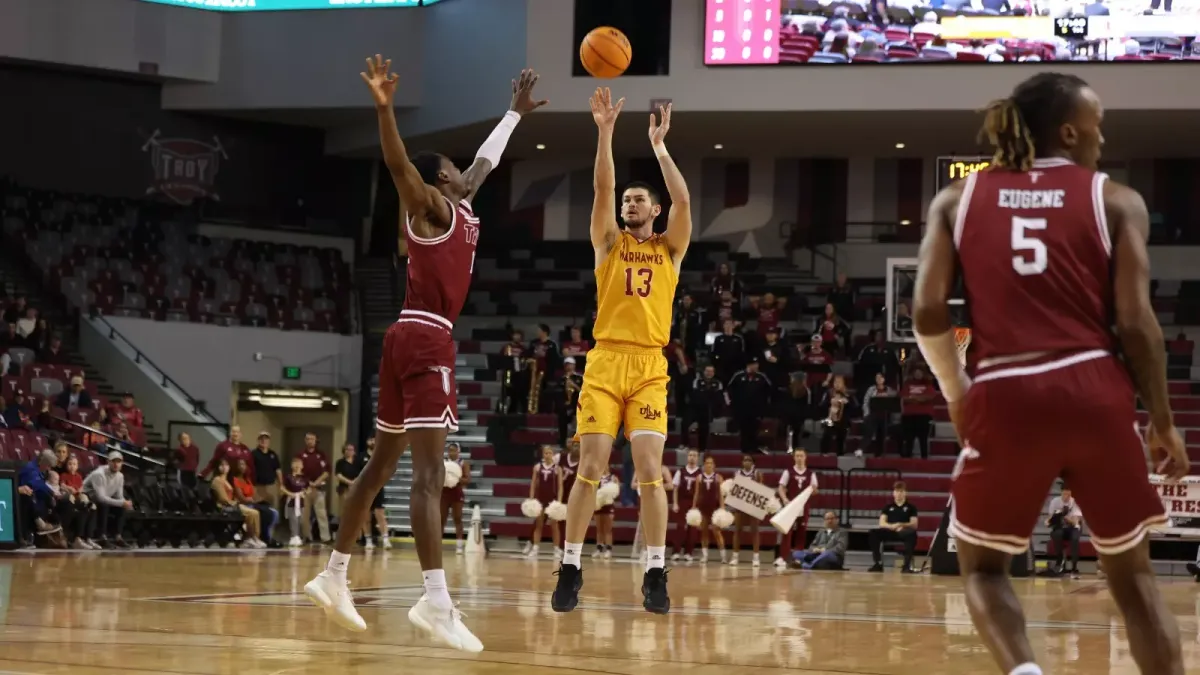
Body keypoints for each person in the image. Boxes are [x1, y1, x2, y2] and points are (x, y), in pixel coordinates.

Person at [912, 72, 1186, 675]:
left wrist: (958, 395)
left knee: (982, 568)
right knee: (1135, 579)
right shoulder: (1116, 200)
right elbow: (1138, 324)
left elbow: (927, 311)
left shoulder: (957, 201)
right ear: (1069, 131)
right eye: (1096, 126)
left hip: (1005, 392)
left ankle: (1027, 673)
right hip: (1094, 389)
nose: (1101, 138)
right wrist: (1162, 421)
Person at [306, 56, 545, 650]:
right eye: (454, 169)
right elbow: (398, 165)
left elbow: (486, 161)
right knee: (430, 474)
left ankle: (333, 575)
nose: (465, 171)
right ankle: (436, 600)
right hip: (426, 336)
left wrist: (514, 112)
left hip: (404, 337)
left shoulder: (462, 204)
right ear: (442, 182)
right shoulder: (434, 209)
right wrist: (385, 111)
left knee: (380, 466)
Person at [551, 91, 692, 616]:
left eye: (640, 200)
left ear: (654, 211)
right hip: (606, 361)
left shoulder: (670, 248)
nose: (630, 204)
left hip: (650, 366)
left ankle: (655, 570)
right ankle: (570, 563)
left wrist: (659, 146)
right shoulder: (608, 242)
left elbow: (684, 202)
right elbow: (602, 185)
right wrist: (605, 131)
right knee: (590, 465)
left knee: (650, 468)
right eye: (628, 200)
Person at [775, 449, 819, 568]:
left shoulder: (811, 474)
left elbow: (815, 490)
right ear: (794, 458)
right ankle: (783, 557)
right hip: (790, 506)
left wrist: (814, 491)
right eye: (797, 456)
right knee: (786, 532)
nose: (799, 458)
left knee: (801, 532)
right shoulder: (788, 472)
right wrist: (784, 499)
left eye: (802, 456)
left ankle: (798, 558)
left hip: (804, 507)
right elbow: (781, 488)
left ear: (805, 457)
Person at [868, 481, 918, 572]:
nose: (899, 494)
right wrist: (892, 526)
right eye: (897, 491)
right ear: (893, 493)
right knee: (874, 533)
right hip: (890, 531)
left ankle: (906, 566)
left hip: (904, 532)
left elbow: (914, 524)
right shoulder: (888, 507)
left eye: (901, 491)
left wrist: (901, 524)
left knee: (912, 534)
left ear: (905, 493)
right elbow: (882, 523)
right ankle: (878, 563)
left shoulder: (911, 507)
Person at [526, 445, 563, 559]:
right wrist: (531, 498)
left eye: (550, 453)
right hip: (540, 500)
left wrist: (559, 502)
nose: (547, 455)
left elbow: (560, 486)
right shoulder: (537, 467)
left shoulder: (557, 468)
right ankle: (535, 548)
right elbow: (533, 483)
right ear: (543, 454)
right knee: (539, 524)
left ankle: (556, 549)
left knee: (554, 525)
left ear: (553, 454)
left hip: (552, 501)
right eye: (545, 453)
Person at [727, 454, 763, 567]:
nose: (747, 462)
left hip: (753, 504)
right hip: (740, 504)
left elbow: (761, 489)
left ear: (753, 463)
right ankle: (735, 556)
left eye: (749, 460)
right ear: (742, 462)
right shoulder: (737, 473)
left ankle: (756, 557)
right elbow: (733, 488)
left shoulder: (757, 473)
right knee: (737, 530)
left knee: (755, 530)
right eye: (745, 460)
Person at [691, 455, 726, 564]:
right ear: (704, 465)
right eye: (707, 463)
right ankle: (705, 555)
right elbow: (696, 493)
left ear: (714, 465)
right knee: (704, 532)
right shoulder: (699, 478)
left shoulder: (718, 477)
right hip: (703, 507)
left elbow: (721, 494)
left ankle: (723, 556)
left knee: (717, 532)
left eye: (711, 463)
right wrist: (694, 506)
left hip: (714, 508)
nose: (709, 465)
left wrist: (722, 507)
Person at [670, 449, 702, 562]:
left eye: (694, 455)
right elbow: (675, 489)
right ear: (687, 457)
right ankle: (676, 551)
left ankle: (689, 552)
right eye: (690, 455)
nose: (692, 457)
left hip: (694, 503)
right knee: (680, 526)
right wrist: (675, 503)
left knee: (692, 528)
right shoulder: (681, 472)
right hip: (682, 501)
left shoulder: (700, 473)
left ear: (698, 458)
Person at [440, 442, 469, 555]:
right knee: (441, 519)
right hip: (444, 493)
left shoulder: (463, 463)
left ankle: (459, 545)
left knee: (457, 518)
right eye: (449, 450)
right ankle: (438, 544)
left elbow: (467, 480)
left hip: (457, 493)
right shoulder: (443, 463)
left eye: (454, 450)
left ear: (458, 451)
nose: (451, 452)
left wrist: (456, 478)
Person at [1046, 486, 1083, 578]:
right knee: (1056, 534)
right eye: (1064, 494)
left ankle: (1074, 567)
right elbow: (1050, 518)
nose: (1066, 496)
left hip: (1073, 527)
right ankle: (1059, 560)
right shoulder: (1055, 501)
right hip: (1060, 527)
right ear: (1061, 493)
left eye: (1068, 494)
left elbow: (1075, 522)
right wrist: (1051, 519)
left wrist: (1065, 517)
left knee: (1075, 539)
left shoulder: (1075, 502)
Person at [592, 466, 620, 559]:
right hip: (598, 503)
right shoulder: (596, 477)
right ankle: (599, 549)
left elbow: (616, 491)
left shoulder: (613, 477)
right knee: (599, 528)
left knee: (608, 528)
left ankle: (608, 549)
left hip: (608, 504)